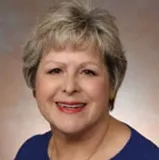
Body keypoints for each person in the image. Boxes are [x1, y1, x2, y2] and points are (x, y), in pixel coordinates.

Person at [15, 0, 159, 159]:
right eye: (55, 70)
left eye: (87, 72)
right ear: (34, 82)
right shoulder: (29, 152)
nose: (69, 87)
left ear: (112, 83)